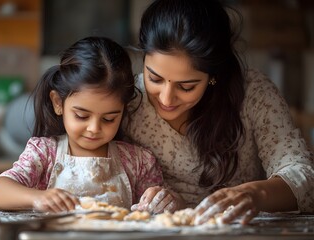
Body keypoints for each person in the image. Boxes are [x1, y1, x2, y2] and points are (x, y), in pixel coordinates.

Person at [126, 0, 314, 225]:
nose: (166, 99)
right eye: (154, 79)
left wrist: (255, 194)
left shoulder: (253, 93)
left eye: (186, 86)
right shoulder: (129, 101)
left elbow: (305, 178)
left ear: (213, 76)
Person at [0, 36, 166, 213]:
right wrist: (37, 197)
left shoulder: (138, 162)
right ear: (58, 103)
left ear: (123, 110)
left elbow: (158, 209)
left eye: (109, 119)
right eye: (81, 116)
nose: (94, 128)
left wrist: (164, 201)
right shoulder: (45, 154)